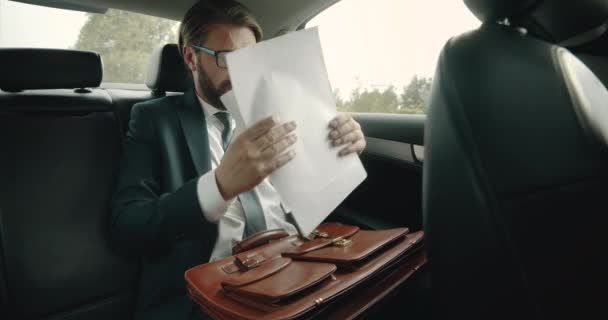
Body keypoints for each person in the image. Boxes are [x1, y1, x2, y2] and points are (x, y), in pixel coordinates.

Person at [110, 0, 366, 319]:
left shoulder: (282, 107)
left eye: (249, 58)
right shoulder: (153, 119)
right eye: (227, 58)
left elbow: (316, 197)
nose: (242, 72)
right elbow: (127, 224)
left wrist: (341, 151)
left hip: (297, 271)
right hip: (209, 297)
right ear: (191, 57)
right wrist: (218, 187)